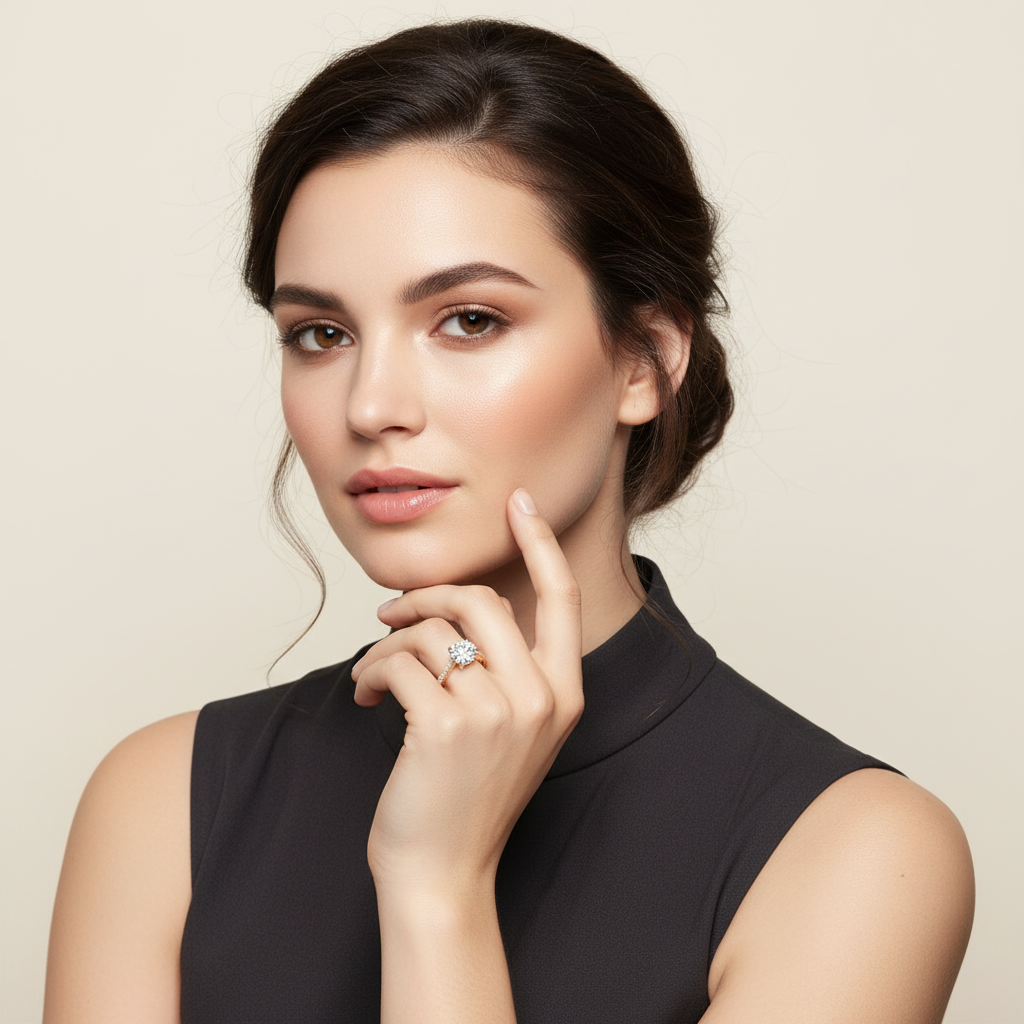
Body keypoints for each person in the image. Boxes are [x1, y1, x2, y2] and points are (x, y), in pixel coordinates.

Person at [43, 18, 974, 1024]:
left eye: (469, 320)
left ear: (643, 361)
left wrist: (436, 888)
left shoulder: (857, 854)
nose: (371, 404)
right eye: (320, 333)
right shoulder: (162, 802)